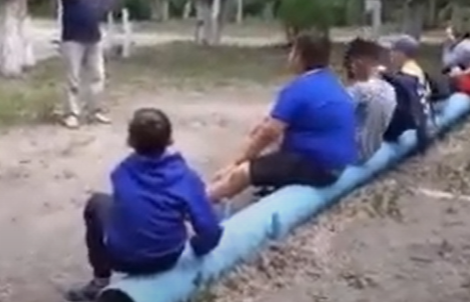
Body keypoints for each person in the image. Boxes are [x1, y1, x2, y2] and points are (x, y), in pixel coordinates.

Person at [67, 108, 223, 301]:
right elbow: (210, 231)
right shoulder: (185, 177)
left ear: (131, 141)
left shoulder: (121, 172)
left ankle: (100, 280)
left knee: (97, 203)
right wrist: (198, 248)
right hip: (168, 257)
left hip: (121, 258)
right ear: (169, 139)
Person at [207, 32, 358, 202]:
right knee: (269, 140)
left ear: (300, 56)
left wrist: (237, 163)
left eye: (293, 51)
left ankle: (203, 201)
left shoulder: (298, 89)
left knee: (241, 173)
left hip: (318, 167)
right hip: (337, 164)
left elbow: (269, 133)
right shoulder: (333, 83)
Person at [39, 0, 155, 129]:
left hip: (93, 36)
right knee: (73, 78)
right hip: (70, 36)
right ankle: (72, 114)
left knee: (97, 76)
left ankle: (95, 111)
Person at [343, 38, 397, 162]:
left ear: (357, 63)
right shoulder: (390, 88)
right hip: (377, 148)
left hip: (356, 156)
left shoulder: (358, 91)